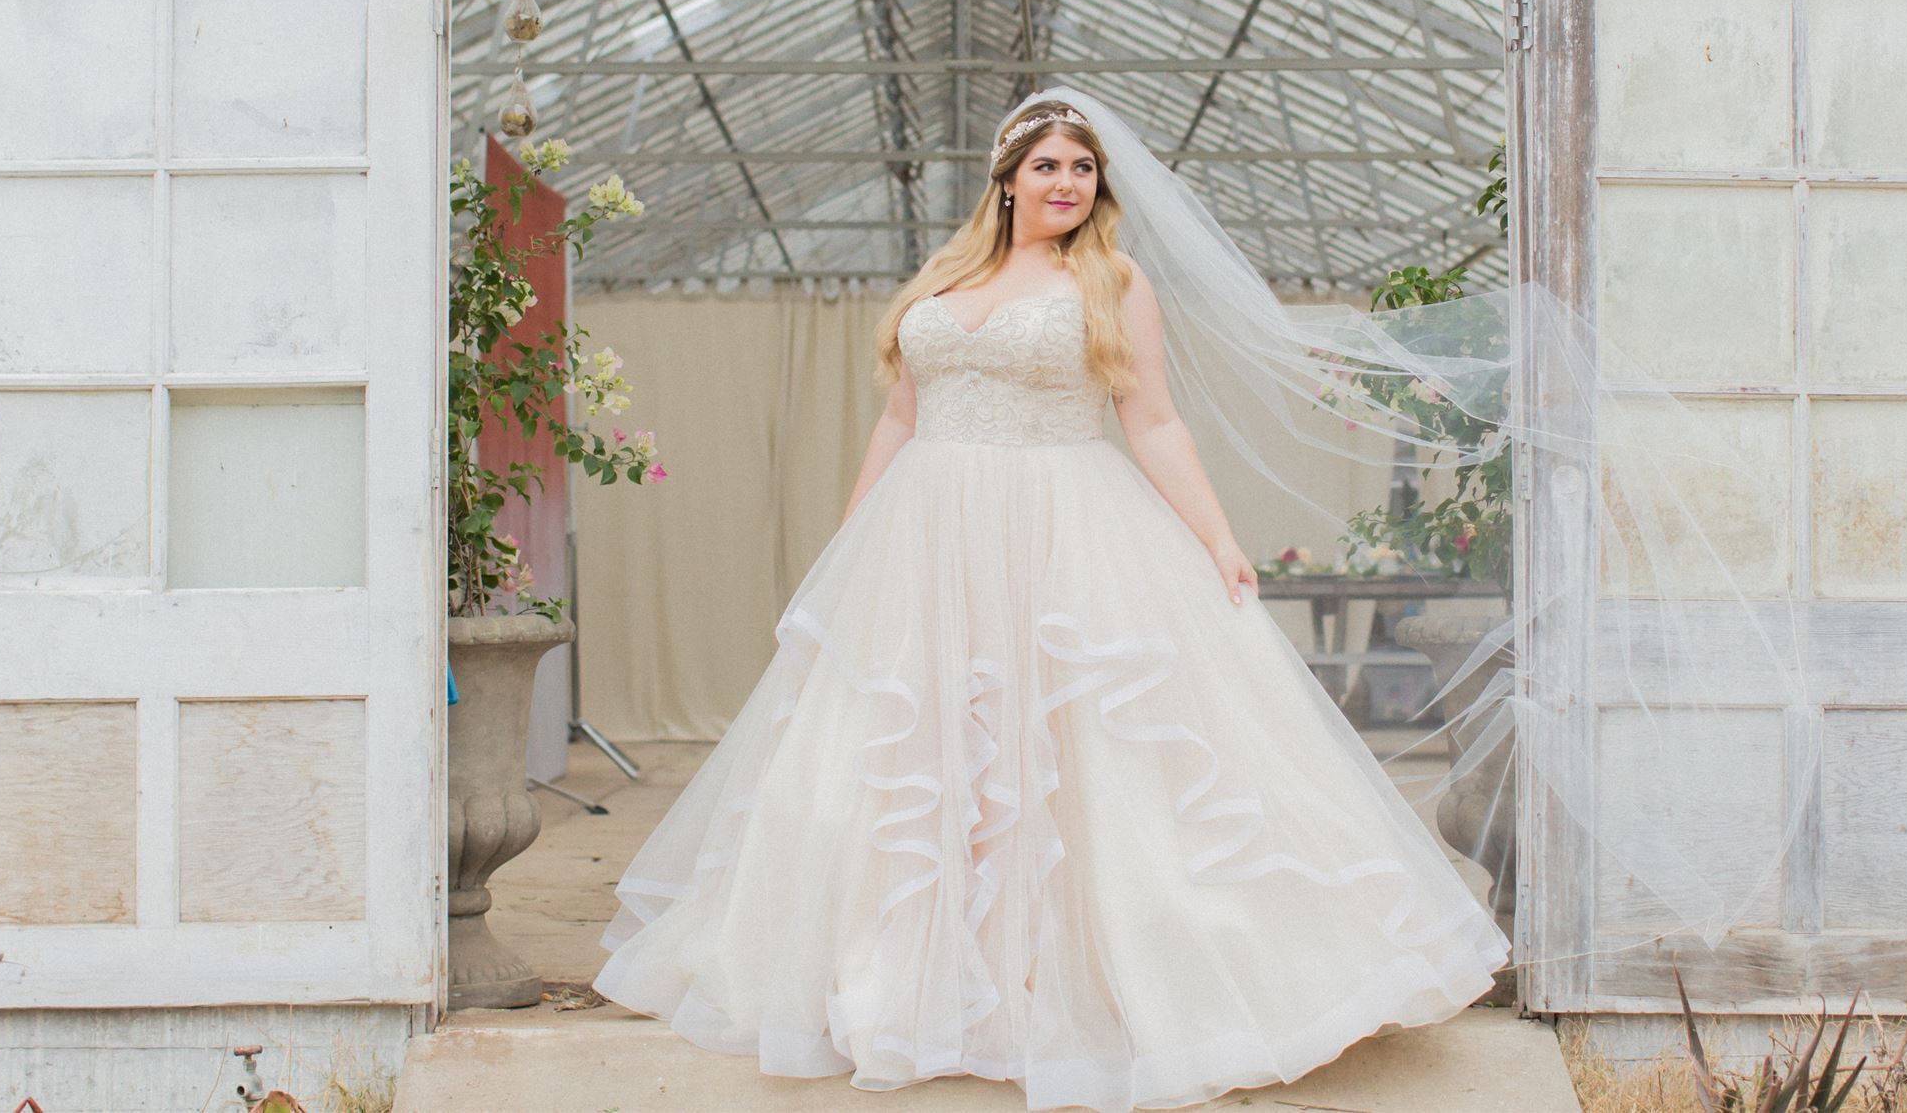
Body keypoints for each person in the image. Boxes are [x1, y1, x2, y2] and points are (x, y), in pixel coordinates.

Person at [591, 92, 1511, 1112]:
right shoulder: (944, 277)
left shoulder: (1112, 277)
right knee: (916, 754)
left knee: (1077, 754)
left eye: (1083, 167)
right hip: (925, 538)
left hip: (1065, 525)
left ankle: (1069, 989)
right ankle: (912, 984)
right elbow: (899, 414)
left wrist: (1214, 536)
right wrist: (848, 547)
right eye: (1048, 165)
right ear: (1008, 178)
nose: (1067, 182)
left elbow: (1152, 418)